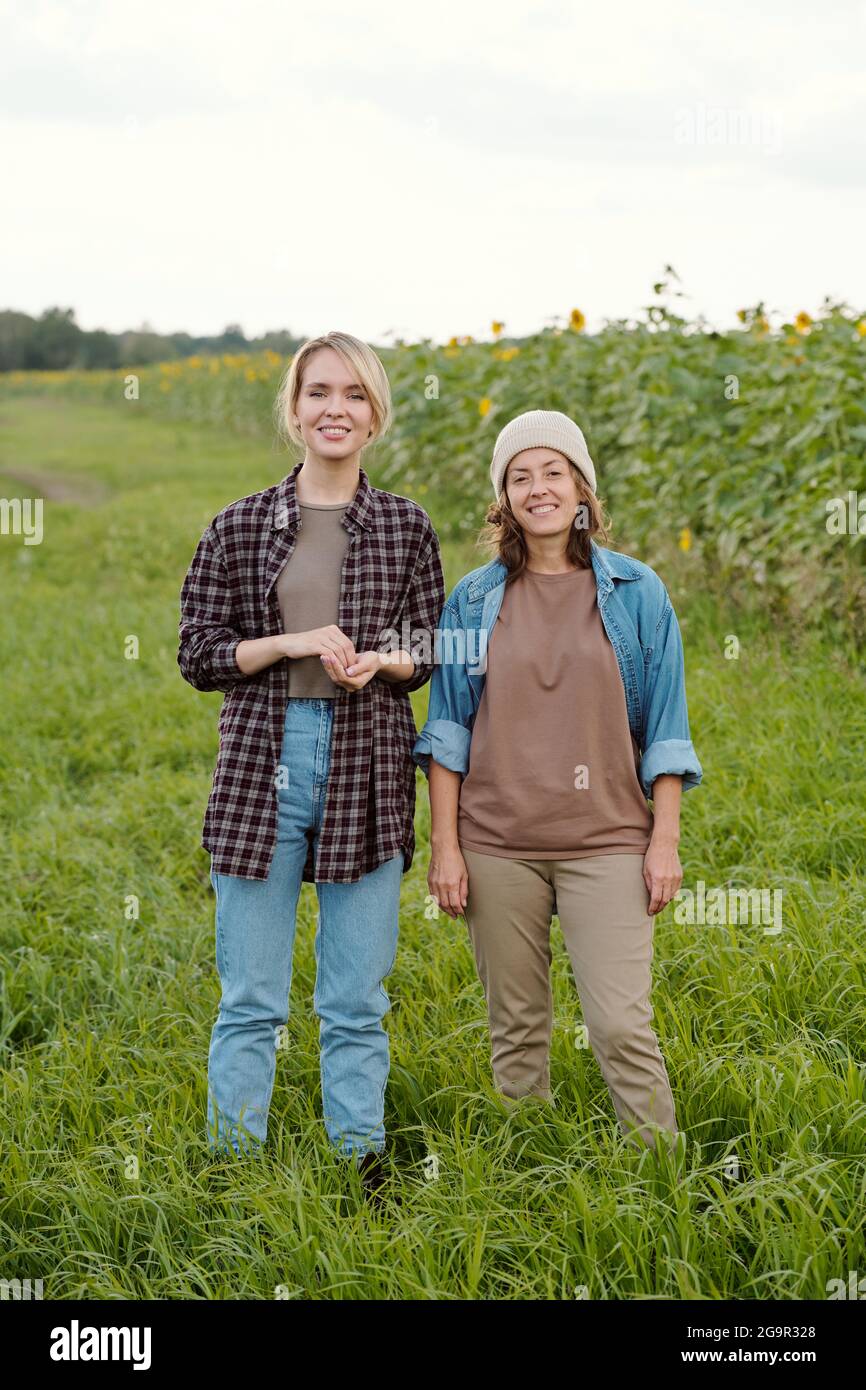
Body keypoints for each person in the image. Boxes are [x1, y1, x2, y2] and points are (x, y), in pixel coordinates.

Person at [177, 331, 444, 1197]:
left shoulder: (405, 525)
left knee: (356, 996)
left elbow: (429, 646)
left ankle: (357, 1157)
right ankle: (230, 1165)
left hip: (366, 760)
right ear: (293, 411)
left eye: (355, 394)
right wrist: (287, 642)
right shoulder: (241, 524)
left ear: (375, 415)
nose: (336, 408)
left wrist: (387, 662)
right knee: (250, 994)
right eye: (319, 392)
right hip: (264, 760)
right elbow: (198, 652)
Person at [412, 409, 702, 1153]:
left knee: (618, 1023)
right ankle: (533, 1182)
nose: (538, 489)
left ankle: (662, 1179)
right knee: (516, 1028)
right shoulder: (472, 601)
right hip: (497, 845)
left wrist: (663, 841)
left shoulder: (639, 593)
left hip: (607, 840)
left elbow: (667, 731)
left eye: (553, 472)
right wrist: (445, 848)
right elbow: (445, 732)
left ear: (581, 487)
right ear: (503, 498)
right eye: (520, 476)